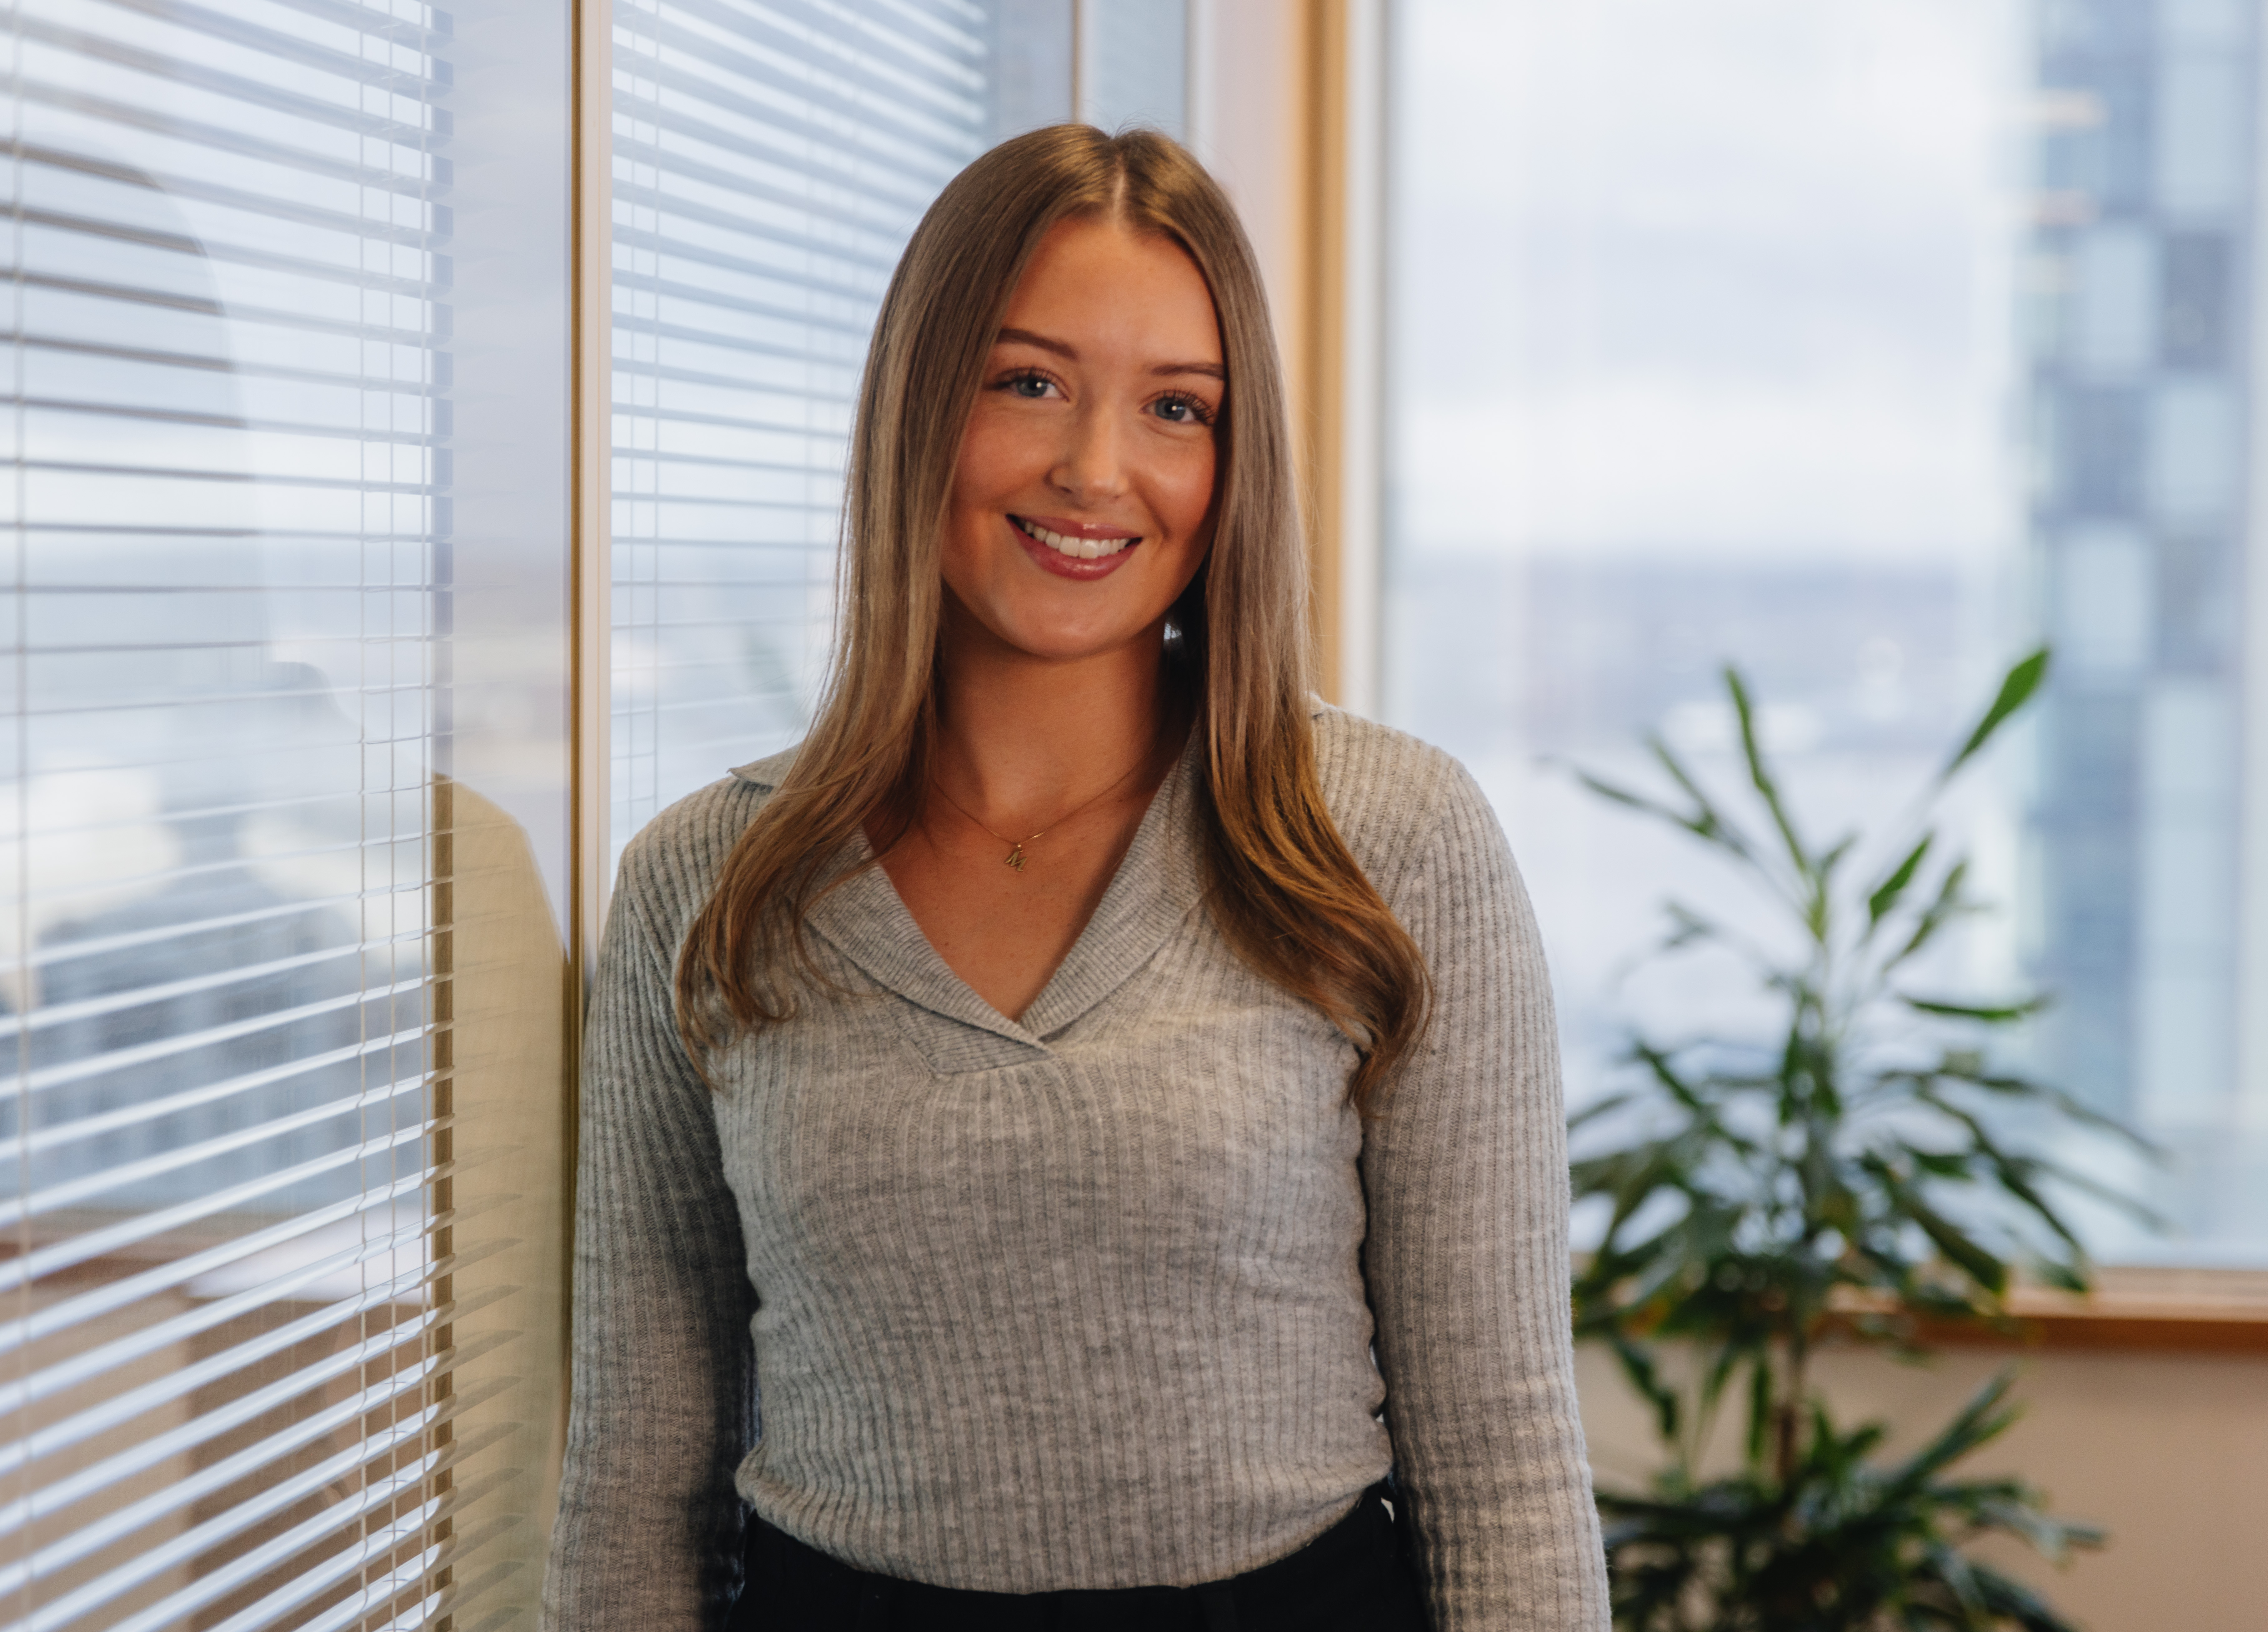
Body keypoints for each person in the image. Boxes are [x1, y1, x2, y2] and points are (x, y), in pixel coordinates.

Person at [543, 124, 1608, 1630]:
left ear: (1233, 465)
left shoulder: (1388, 838)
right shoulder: (701, 888)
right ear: (921, 403)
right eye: (1028, 381)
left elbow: (1501, 1465)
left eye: (1177, 408)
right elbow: (635, 1496)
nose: (1097, 470)